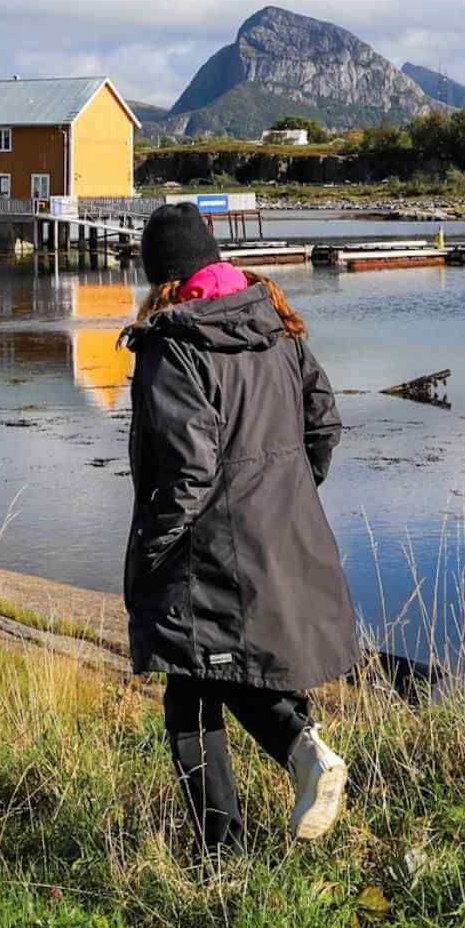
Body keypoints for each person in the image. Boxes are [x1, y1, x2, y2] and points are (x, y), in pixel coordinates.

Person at [121, 203, 359, 851]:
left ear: (163, 278)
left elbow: (189, 471)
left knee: (192, 695)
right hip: (277, 537)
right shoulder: (274, 324)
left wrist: (151, 550)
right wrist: (283, 496)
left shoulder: (174, 344)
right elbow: (324, 424)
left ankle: (229, 848)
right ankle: (263, 806)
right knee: (205, 678)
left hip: (205, 553)